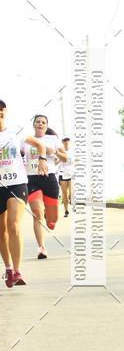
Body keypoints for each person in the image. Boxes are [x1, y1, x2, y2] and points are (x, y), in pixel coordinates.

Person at [0, 100, 48, 287]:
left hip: (17, 183)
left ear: (5, 112)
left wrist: (42, 159)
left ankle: (18, 271)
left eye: (1, 112)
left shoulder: (15, 131)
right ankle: (8, 268)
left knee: (13, 226)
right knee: (1, 232)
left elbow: (39, 145)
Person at [22, 115, 67, 259]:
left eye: (43, 122)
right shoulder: (26, 141)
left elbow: (65, 158)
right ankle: (42, 248)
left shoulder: (53, 140)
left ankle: (50, 218)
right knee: (37, 212)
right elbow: (18, 156)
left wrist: (54, 152)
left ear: (46, 126)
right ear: (34, 124)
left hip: (49, 178)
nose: (40, 124)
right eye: (38, 122)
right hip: (32, 179)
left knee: (53, 219)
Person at [58, 137, 73, 217]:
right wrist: (60, 159)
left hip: (72, 173)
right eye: (64, 140)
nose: (66, 141)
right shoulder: (59, 151)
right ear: (62, 142)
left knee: (72, 191)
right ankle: (66, 210)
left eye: (68, 140)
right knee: (64, 193)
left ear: (69, 141)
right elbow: (55, 162)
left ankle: (72, 199)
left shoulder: (73, 151)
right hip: (62, 173)